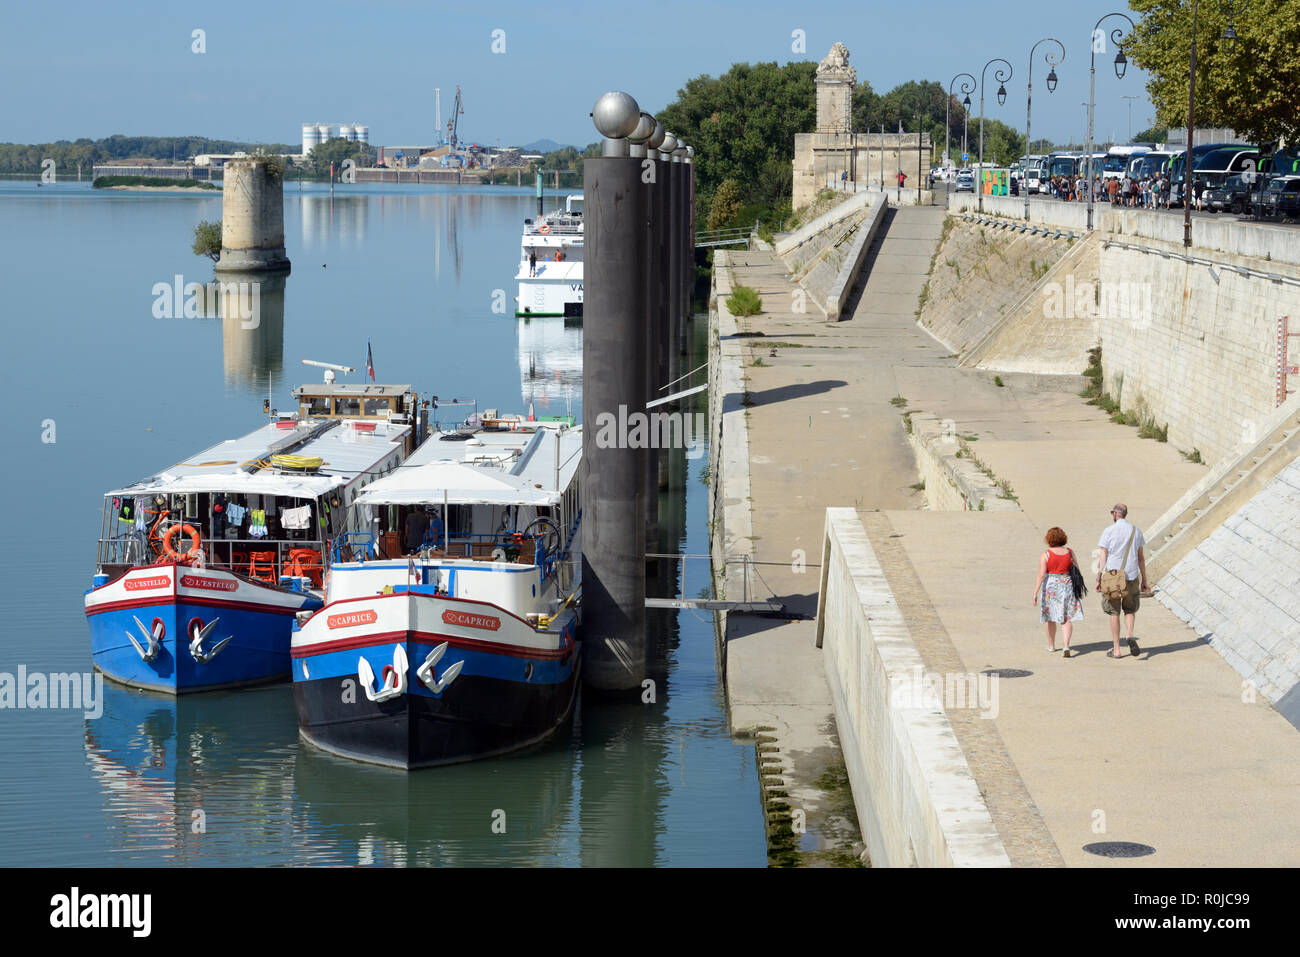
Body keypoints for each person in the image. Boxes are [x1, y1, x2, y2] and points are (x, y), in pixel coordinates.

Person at [1096, 503, 1148, 658]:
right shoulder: (1136, 531)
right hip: (1131, 575)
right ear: (1125, 514)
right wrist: (1144, 579)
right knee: (1130, 609)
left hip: (1112, 576)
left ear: (1115, 514)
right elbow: (1140, 558)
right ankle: (1130, 634)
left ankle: (1117, 649)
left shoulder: (1109, 531)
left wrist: (1099, 577)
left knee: (1113, 611)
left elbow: (1103, 555)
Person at [1032, 526, 1083, 657]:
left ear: (1049, 539)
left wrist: (1035, 592)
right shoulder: (1070, 552)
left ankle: (1051, 645)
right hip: (1067, 585)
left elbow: (1041, 574)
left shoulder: (1046, 554)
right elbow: (1077, 568)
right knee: (1066, 618)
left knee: (1050, 618)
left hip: (1051, 587)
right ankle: (1066, 645)